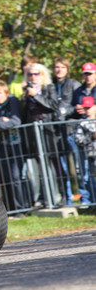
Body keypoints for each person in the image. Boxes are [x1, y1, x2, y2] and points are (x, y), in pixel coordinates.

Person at [0, 80, 28, 215]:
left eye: (0, 93)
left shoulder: (13, 102)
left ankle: (22, 207)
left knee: (16, 177)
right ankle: (12, 209)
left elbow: (16, 121)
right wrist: (2, 120)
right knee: (6, 178)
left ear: (6, 93)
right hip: (1, 146)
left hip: (16, 145)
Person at [22, 63, 63, 207]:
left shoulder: (49, 88)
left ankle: (59, 197)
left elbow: (53, 106)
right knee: (40, 168)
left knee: (53, 166)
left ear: (43, 74)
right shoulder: (27, 90)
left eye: (36, 73)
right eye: (30, 74)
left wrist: (36, 96)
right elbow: (24, 113)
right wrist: (25, 96)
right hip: (33, 133)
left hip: (48, 132)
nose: (33, 77)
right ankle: (45, 199)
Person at [52, 58, 82, 206]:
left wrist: (65, 112)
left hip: (72, 131)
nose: (59, 70)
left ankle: (86, 198)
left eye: (62, 67)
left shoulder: (74, 85)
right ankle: (66, 197)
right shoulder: (50, 85)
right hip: (56, 133)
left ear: (67, 69)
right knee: (61, 168)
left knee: (79, 166)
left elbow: (78, 107)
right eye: (56, 67)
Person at [70, 62, 96, 205]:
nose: (87, 76)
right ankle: (90, 201)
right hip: (85, 138)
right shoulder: (78, 91)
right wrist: (78, 109)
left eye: (90, 73)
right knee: (85, 174)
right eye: (85, 74)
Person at [74, 95, 96, 208]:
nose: (88, 110)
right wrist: (92, 137)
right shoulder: (81, 123)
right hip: (89, 155)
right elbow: (78, 140)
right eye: (85, 108)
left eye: (90, 107)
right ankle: (91, 202)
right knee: (89, 180)